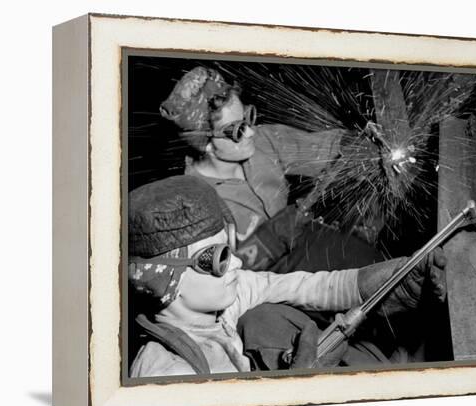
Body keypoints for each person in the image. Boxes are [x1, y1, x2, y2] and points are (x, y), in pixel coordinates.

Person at [128, 175, 447, 377]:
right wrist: (299, 388)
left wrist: (397, 278)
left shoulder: (222, 307)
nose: (238, 263)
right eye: (219, 258)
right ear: (164, 281)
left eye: (231, 248)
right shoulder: (166, 373)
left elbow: (306, 286)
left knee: (265, 320)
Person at [159, 66, 383, 274]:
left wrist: (355, 142)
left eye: (247, 118)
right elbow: (219, 281)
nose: (250, 133)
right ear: (205, 144)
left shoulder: (262, 142)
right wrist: (268, 238)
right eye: (236, 130)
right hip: (256, 294)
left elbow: (318, 149)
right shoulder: (193, 203)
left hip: (301, 255)